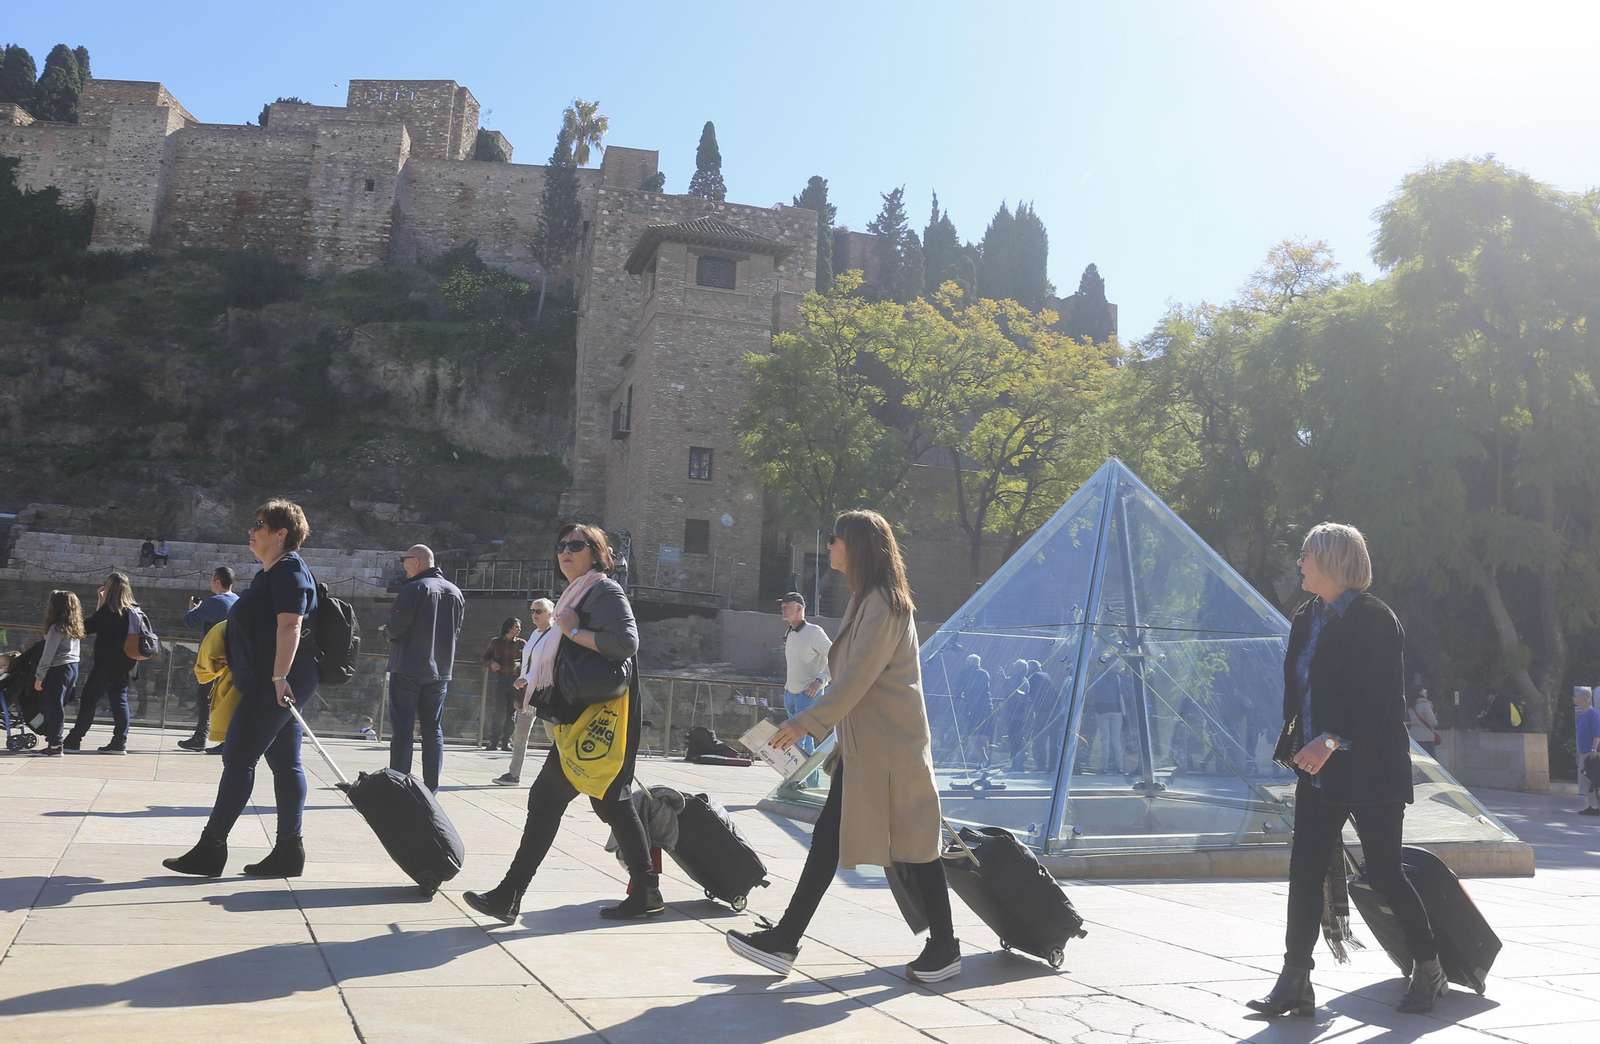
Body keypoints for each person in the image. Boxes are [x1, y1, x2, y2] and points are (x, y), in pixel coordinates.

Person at [727, 510, 961, 984]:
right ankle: (786, 939)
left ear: (855, 546)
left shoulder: (884, 604)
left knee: (919, 845)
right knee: (832, 840)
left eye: (834, 539)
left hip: (891, 748)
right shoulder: (866, 600)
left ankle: (945, 946)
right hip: (868, 748)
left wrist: (805, 722)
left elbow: (856, 678)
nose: (829, 545)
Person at [1249, 522, 1445, 1018]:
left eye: (1306, 554)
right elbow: (1301, 693)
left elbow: (1379, 701)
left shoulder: (1374, 618)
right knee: (1304, 872)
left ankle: (1429, 969)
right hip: (1318, 769)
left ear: (1333, 560)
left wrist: (1331, 737)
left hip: (1371, 768)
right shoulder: (1304, 617)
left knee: (1383, 872)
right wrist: (1303, 742)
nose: (1299, 563)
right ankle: (1296, 979)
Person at [464, 523, 658, 924]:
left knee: (561, 800)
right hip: (584, 719)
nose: (566, 551)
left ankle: (508, 896)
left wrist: (573, 630)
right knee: (612, 804)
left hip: (600, 720)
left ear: (597, 552)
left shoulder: (604, 591)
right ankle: (648, 893)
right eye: (561, 546)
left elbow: (626, 643)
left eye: (576, 545)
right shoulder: (578, 592)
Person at [163, 500, 320, 878]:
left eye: (260, 524)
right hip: (276, 679)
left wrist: (279, 678)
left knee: (237, 759)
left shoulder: (289, 570)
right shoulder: (271, 572)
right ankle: (288, 852)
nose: (252, 529)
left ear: (281, 533)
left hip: (278, 681)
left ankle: (211, 849)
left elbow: (290, 626)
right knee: (285, 764)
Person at [384, 544, 465, 793]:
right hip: (440, 672)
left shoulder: (414, 588)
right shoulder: (456, 592)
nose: (403, 565)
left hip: (408, 667)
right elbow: (456, 632)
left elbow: (396, 627)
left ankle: (398, 784)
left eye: (404, 559)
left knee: (403, 731)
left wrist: (386, 631)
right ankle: (431, 788)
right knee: (433, 731)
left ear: (416, 561)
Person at [63, 572, 140, 755]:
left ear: (109, 588)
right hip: (127, 664)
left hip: (106, 665)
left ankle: (74, 740)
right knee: (119, 701)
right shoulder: (133, 610)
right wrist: (101, 602)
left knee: (89, 700)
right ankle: (119, 742)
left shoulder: (110, 611)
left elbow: (87, 628)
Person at [178, 567, 239, 752]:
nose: (211, 582)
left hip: (214, 660)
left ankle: (202, 738)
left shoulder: (215, 602)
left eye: (212, 579)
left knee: (205, 698)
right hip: (233, 660)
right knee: (225, 700)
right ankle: (223, 740)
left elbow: (189, 621)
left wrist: (193, 608)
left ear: (218, 581)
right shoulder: (238, 601)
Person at [496, 598, 555, 786]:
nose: (534, 614)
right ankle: (514, 775)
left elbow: (548, 665)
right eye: (532, 611)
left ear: (550, 613)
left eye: (539, 611)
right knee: (520, 733)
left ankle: (562, 774)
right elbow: (531, 661)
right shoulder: (536, 633)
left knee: (554, 736)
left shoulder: (554, 635)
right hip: (527, 692)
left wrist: (527, 678)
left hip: (545, 692)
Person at [779, 591, 831, 787]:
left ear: (800, 608)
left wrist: (820, 680)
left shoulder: (814, 632)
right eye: (782, 606)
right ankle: (810, 783)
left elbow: (836, 657)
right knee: (805, 742)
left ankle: (793, 781)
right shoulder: (790, 633)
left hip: (809, 695)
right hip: (790, 694)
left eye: (787, 606)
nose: (783, 609)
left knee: (796, 738)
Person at [32, 590, 84, 756]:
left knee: (53, 707)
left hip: (57, 669)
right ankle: (55, 742)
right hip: (72, 667)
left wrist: (39, 677)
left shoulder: (56, 628)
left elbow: (48, 655)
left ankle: (54, 745)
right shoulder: (74, 628)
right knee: (58, 707)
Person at [481, 617, 525, 752]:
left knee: (511, 712)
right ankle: (493, 741)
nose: (519, 629)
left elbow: (528, 660)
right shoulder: (496, 642)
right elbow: (485, 657)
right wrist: (491, 663)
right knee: (498, 711)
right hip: (501, 679)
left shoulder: (522, 643)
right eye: (516, 627)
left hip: (515, 680)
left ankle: (507, 741)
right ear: (509, 628)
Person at [1090, 667, 1130, 775]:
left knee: (1105, 739)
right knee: (1116, 739)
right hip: (1116, 710)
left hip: (1102, 710)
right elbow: (1125, 695)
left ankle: (1104, 767)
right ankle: (1120, 767)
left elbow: (1092, 694)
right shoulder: (1118, 678)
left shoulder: (1097, 678)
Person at [1573, 687, 1600, 817]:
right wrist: (1579, 752)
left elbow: (1597, 734)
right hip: (1584, 752)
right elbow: (1581, 735)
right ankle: (1592, 805)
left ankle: (1595, 805)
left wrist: (1593, 749)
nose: (1573, 698)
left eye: (1575, 695)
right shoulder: (1582, 716)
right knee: (1585, 779)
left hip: (1592, 752)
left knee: (1592, 779)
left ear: (1583, 698)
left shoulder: (1592, 714)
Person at [1407, 689, 1441, 758]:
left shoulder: (1410, 705)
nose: (1426, 692)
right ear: (1420, 692)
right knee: (1430, 762)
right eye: (1424, 690)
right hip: (1426, 737)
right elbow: (1433, 722)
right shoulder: (1425, 705)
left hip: (1414, 736)